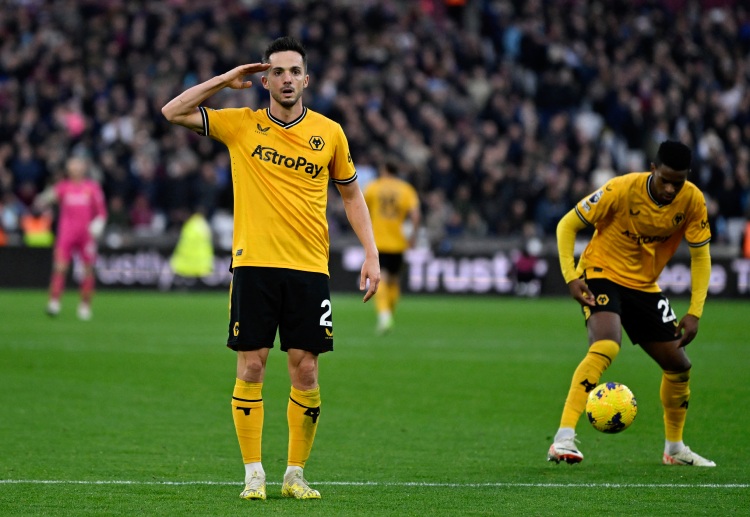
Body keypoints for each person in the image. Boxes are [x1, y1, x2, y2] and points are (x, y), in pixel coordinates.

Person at [161, 36, 380, 501]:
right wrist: (224, 80)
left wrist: (372, 252)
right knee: (252, 367)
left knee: (306, 373)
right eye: (276, 72)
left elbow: (351, 195)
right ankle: (254, 473)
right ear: (263, 80)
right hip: (254, 265)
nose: (285, 79)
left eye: (293, 71)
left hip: (308, 267)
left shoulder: (330, 133)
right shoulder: (241, 125)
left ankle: (295, 474)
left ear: (306, 79)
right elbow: (172, 111)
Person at [547, 140, 716, 467]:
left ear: (687, 177)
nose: (670, 188)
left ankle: (675, 449)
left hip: (644, 286)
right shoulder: (621, 189)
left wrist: (695, 311)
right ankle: (563, 438)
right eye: (664, 179)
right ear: (653, 169)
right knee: (608, 345)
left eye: (677, 182)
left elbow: (701, 257)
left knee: (679, 367)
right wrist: (571, 276)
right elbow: (567, 224)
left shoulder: (693, 200)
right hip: (601, 272)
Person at [37, 156, 107, 321]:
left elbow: (102, 212)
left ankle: (85, 305)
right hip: (66, 234)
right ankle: (54, 302)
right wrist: (44, 198)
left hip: (86, 235)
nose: (75, 169)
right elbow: (44, 199)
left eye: (78, 165)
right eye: (72, 166)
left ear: (83, 168)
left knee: (88, 270)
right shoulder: (63, 187)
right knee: (60, 267)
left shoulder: (92, 188)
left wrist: (99, 223)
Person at [363, 159, 420, 334]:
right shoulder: (406, 189)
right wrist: (412, 237)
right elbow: (416, 215)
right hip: (398, 242)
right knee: (394, 280)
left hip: (378, 242)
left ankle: (384, 315)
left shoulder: (373, 187)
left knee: (381, 280)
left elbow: (361, 208)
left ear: (384, 169)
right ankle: (389, 313)